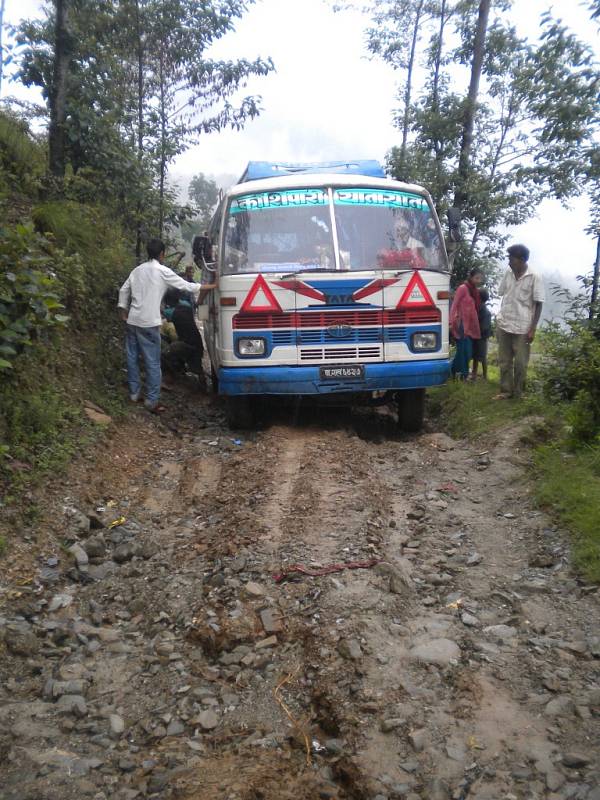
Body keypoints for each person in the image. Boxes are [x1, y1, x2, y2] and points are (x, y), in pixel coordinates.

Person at [118, 238, 203, 413]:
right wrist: (208, 286)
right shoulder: (162, 271)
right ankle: (152, 401)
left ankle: (134, 394)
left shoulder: (137, 270)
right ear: (162, 254)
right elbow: (186, 285)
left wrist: (122, 310)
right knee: (153, 362)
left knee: (132, 357)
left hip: (133, 320)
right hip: (149, 323)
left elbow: (123, 290)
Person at [496, 244, 544, 399]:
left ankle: (519, 392)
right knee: (504, 361)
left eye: (512, 258)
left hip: (523, 327)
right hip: (505, 323)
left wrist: (533, 329)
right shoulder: (508, 272)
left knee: (521, 363)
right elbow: (502, 293)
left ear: (522, 260)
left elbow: (539, 303)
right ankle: (505, 391)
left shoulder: (534, 277)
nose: (509, 261)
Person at [450, 267, 483, 380]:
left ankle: (454, 371)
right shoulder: (463, 288)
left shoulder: (475, 291)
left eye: (480, 279)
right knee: (463, 351)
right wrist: (451, 321)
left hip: (470, 325)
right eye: (476, 278)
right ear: (471, 277)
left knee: (468, 351)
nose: (478, 281)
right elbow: (454, 304)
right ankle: (462, 375)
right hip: (461, 324)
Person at [471, 288, 492, 380]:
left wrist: (475, 329)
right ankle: (474, 374)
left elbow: (484, 327)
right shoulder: (478, 308)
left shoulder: (485, 311)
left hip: (482, 337)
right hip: (476, 336)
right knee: (475, 356)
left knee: (482, 357)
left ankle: (485, 375)